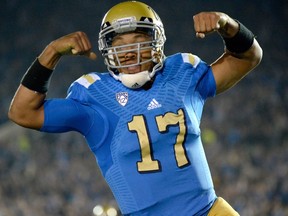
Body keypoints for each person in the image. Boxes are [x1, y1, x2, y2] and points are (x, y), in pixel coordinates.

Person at [8, 1, 262, 215]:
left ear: (157, 42)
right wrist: (51, 52)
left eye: (139, 39)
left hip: (210, 211)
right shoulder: (95, 95)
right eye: (119, 43)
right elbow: (22, 112)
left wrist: (227, 25)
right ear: (108, 49)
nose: (129, 51)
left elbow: (249, 56)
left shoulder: (182, 75)